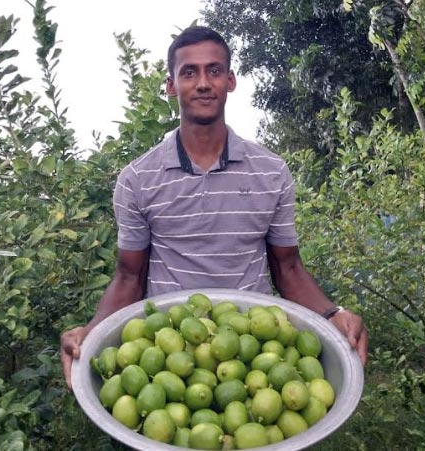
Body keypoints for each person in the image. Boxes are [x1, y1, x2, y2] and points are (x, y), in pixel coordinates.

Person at [60, 26, 367, 389]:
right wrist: (91, 332)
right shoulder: (138, 179)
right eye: (189, 72)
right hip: (167, 357)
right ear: (171, 85)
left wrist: (334, 313)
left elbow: (288, 266)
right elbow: (129, 276)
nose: (203, 83)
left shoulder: (271, 172)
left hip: (256, 353)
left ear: (230, 80)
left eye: (214, 70)